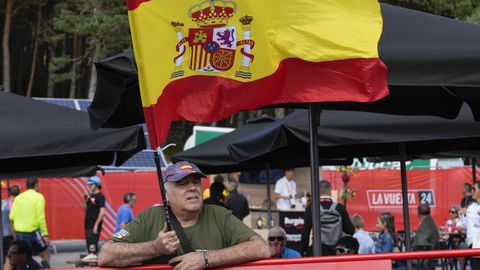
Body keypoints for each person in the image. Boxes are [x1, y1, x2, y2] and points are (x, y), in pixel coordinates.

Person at [98, 161, 271, 268]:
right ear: (167, 195)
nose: (193, 187)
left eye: (196, 182)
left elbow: (261, 248)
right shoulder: (150, 217)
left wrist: (206, 258)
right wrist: (155, 248)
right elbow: (106, 255)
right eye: (182, 183)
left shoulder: (219, 215)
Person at [301, 179, 355, 256]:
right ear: (330, 191)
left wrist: (304, 251)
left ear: (316, 191)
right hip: (336, 250)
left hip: (318, 250)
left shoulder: (311, 208)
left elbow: (305, 233)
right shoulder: (339, 208)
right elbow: (350, 230)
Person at [9, 178, 50, 268]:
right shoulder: (39, 197)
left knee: (22, 257)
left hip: (20, 233)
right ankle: (47, 268)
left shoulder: (18, 198)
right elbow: (41, 217)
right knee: (45, 253)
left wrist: (15, 235)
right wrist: (45, 234)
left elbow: (11, 217)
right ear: (36, 185)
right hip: (33, 232)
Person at [82, 176, 106, 261]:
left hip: (94, 225)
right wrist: (84, 198)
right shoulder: (91, 196)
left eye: (91, 184)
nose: (90, 186)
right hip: (88, 225)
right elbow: (86, 208)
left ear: (96, 184)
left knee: (93, 250)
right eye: (89, 184)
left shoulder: (100, 196)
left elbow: (102, 212)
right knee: (90, 248)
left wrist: (96, 225)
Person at [459, 181, 480, 269]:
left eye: (474, 189)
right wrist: (462, 215)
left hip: (478, 242)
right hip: (473, 242)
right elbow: (466, 226)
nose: (472, 191)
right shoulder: (472, 207)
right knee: (475, 267)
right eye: (472, 189)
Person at [3, 185, 20, 267]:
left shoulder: (2, 202)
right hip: (9, 235)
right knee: (9, 259)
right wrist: (15, 237)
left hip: (2, 234)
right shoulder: (13, 204)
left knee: (4, 258)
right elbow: (12, 223)